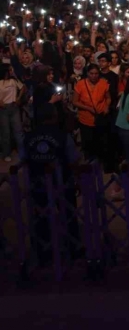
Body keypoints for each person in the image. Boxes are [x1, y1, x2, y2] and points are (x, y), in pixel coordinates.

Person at [20, 103, 81, 264]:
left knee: (41, 217)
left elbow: (23, 159)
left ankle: (43, 251)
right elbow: (73, 159)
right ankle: (73, 248)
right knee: (68, 215)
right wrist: (78, 179)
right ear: (54, 116)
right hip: (62, 182)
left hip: (38, 184)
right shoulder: (62, 135)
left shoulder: (28, 137)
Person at [0, 63, 25, 162]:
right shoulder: (0, 82)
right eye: (10, 70)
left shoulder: (14, 80)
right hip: (3, 109)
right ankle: (6, 153)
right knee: (5, 133)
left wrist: (18, 98)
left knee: (18, 131)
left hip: (14, 107)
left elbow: (23, 87)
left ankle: (22, 152)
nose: (11, 71)